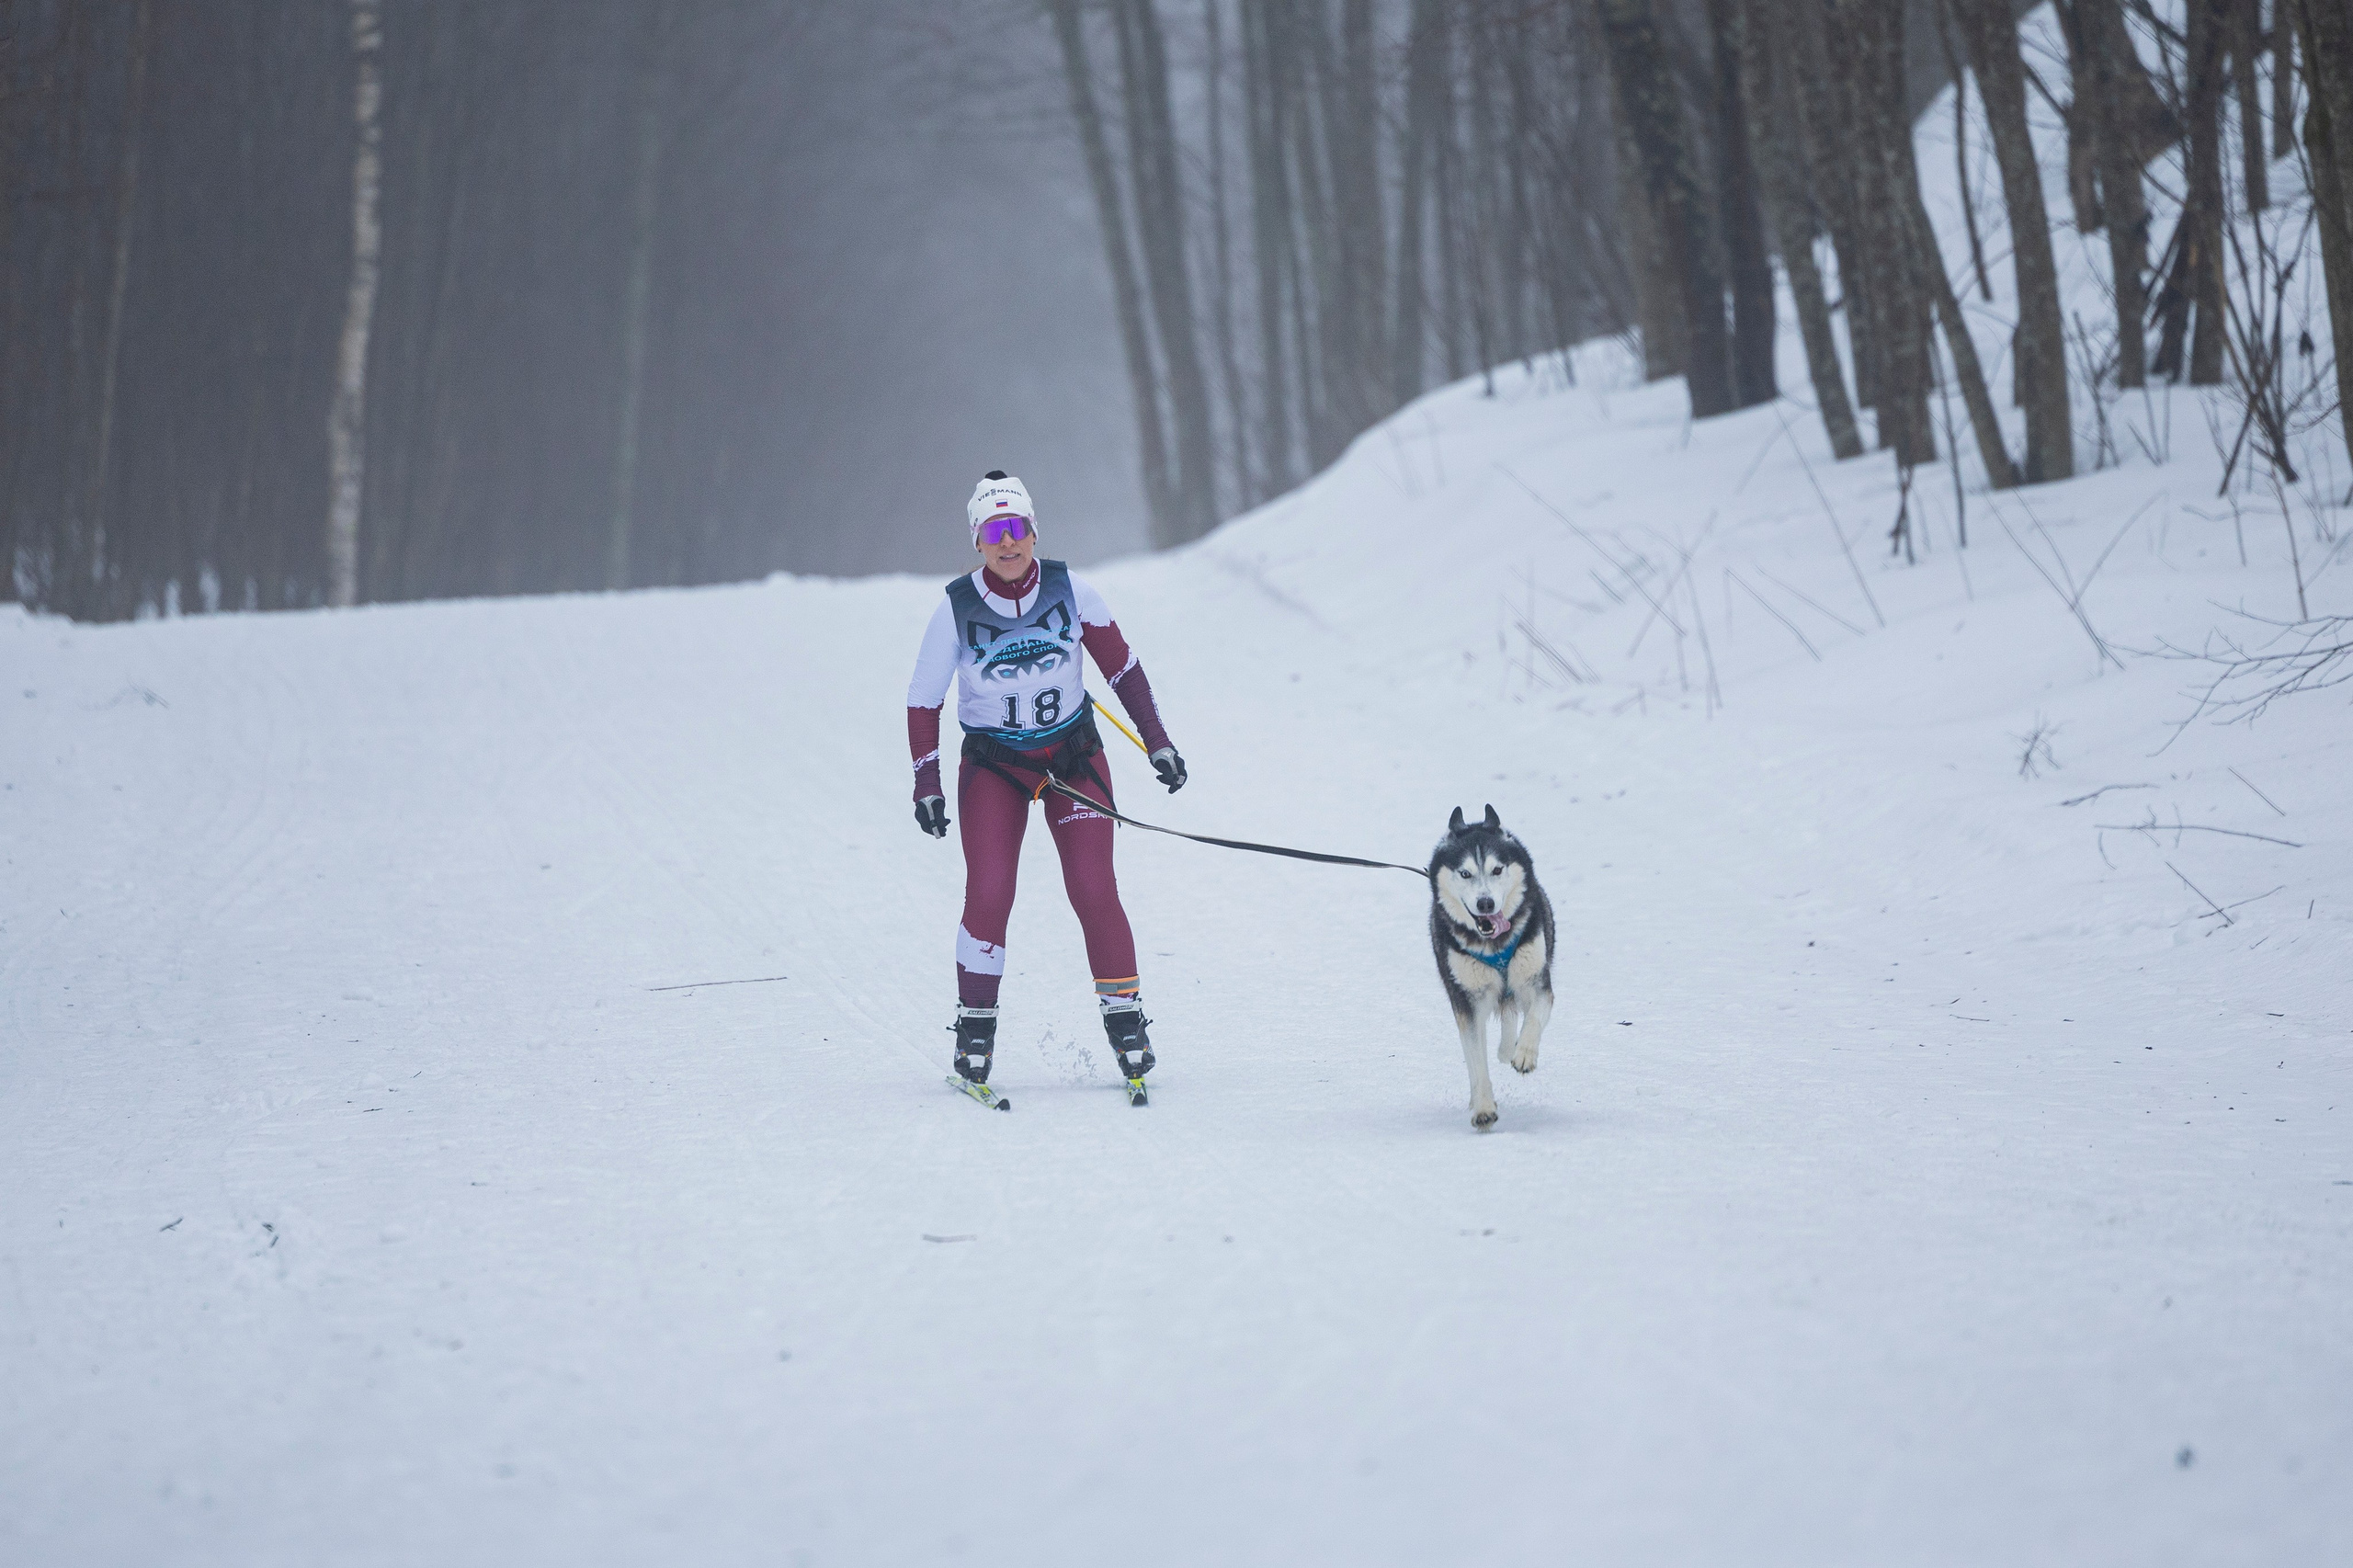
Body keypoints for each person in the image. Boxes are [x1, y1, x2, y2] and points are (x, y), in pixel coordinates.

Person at [905, 471, 1188, 1089]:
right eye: (993, 531)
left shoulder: (1072, 590)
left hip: (1073, 761)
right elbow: (923, 701)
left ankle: (1128, 1023)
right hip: (995, 768)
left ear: (1034, 532)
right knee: (990, 892)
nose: (1007, 543)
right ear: (977, 541)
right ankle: (975, 1029)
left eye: (1017, 529)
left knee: (1093, 887)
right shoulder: (955, 607)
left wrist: (1158, 743)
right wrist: (926, 783)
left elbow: (1124, 669)